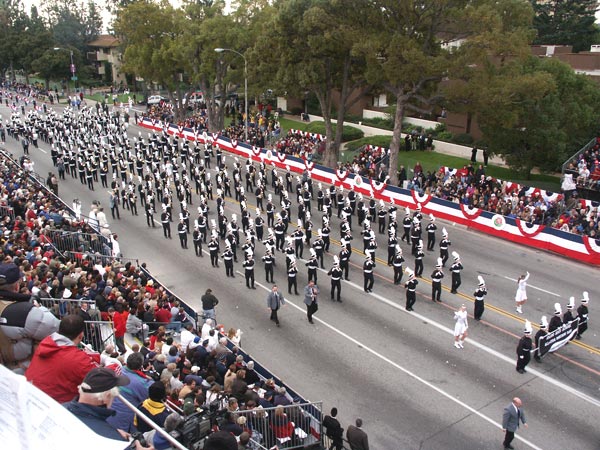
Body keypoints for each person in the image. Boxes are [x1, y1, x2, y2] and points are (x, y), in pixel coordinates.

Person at [26, 314, 100, 403]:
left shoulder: (46, 344)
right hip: (56, 408)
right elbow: (101, 380)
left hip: (31, 398)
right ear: (81, 335)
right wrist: (114, 365)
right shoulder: (77, 359)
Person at [0, 262, 60, 373]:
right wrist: (39, 308)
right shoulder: (25, 311)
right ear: (17, 285)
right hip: (21, 373)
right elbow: (57, 327)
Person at [106, 352, 153, 433]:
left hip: (106, 413)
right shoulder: (141, 383)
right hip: (122, 421)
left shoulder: (116, 370)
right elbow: (148, 395)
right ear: (140, 366)